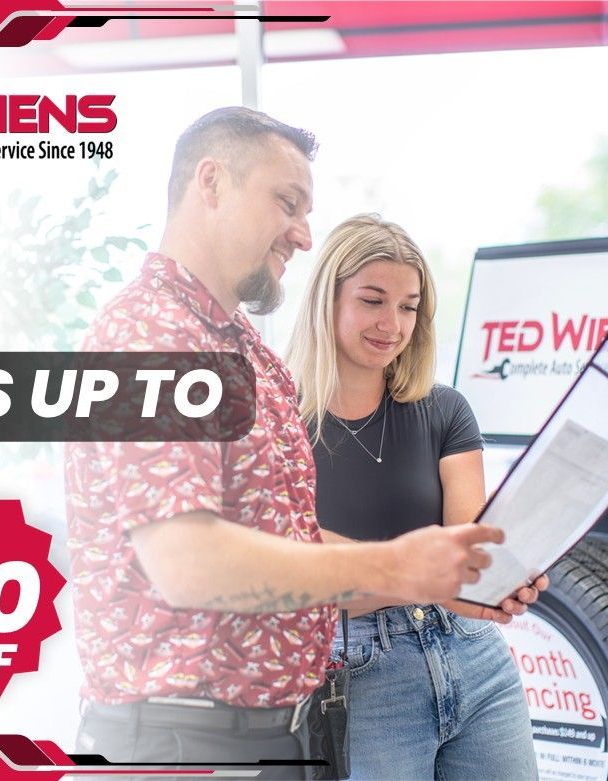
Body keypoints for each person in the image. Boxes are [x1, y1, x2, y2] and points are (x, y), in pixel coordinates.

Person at [65, 109, 506, 776]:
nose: (303, 234)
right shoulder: (150, 336)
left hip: (277, 736)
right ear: (210, 183)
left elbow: (290, 534)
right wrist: (392, 568)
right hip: (182, 745)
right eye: (287, 202)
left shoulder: (248, 356)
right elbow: (188, 563)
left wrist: (435, 569)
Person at [285, 214, 546, 780]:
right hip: (358, 671)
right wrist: (427, 577)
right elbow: (300, 572)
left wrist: (506, 574)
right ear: (325, 300)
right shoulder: (281, 423)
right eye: (373, 301)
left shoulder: (445, 410)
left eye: (408, 306)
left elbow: (467, 547)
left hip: (473, 655)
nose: (392, 324)